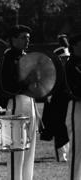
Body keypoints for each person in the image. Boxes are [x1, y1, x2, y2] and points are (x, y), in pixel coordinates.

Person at [0, 25, 37, 180]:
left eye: (28, 37)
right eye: (23, 37)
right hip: (16, 103)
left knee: (29, 148)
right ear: (13, 40)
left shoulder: (27, 56)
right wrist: (26, 83)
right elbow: (5, 86)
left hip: (30, 102)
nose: (27, 40)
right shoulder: (7, 58)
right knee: (17, 149)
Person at [40, 34, 70, 162]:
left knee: (68, 127)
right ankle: (61, 154)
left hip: (67, 102)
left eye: (67, 58)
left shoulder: (70, 69)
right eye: (63, 58)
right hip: (56, 104)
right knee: (58, 128)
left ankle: (67, 152)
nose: (65, 60)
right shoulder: (51, 71)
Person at [65, 33, 81, 180]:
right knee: (77, 149)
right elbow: (72, 91)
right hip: (77, 107)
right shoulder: (70, 65)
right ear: (75, 45)